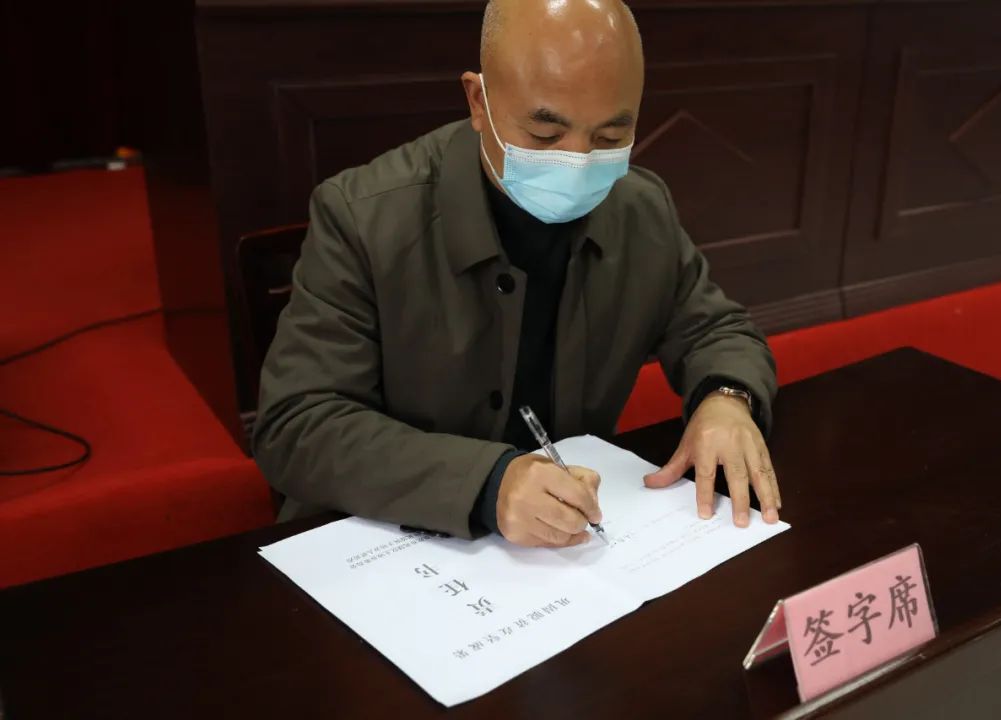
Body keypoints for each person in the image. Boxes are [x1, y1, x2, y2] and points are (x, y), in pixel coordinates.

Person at [253, 0, 781, 549]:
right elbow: (297, 424)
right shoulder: (364, 217)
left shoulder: (638, 208)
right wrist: (487, 483)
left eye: (608, 137)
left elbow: (715, 329)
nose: (578, 161)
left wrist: (726, 397)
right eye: (546, 135)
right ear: (478, 101)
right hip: (384, 541)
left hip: (567, 547)